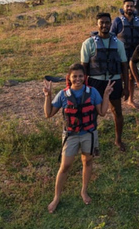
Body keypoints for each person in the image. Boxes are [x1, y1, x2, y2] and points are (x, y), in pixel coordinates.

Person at [43, 63, 113, 213]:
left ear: (85, 77)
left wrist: (106, 94)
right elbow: (48, 113)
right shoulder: (63, 94)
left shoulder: (93, 92)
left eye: (81, 76)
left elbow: (102, 112)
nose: (78, 79)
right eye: (75, 76)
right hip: (71, 135)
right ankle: (56, 197)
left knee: (87, 161)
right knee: (65, 166)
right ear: (69, 78)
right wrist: (48, 96)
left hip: (89, 133)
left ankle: (84, 190)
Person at [80, 13, 128, 151]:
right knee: (93, 113)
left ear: (110, 23)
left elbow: (124, 65)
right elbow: (84, 67)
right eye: (102, 23)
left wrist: (126, 87)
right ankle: (92, 142)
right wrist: (83, 87)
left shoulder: (118, 43)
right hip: (96, 82)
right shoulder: (88, 43)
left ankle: (118, 140)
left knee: (117, 111)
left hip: (114, 82)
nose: (105, 25)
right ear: (97, 24)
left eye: (107, 22)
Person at [111, 0, 139, 109]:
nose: (129, 8)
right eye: (127, 6)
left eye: (131, 6)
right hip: (121, 52)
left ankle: (130, 99)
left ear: (134, 7)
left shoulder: (138, 21)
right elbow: (112, 36)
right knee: (121, 75)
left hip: (134, 52)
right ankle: (118, 97)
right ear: (123, 7)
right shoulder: (117, 21)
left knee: (131, 76)